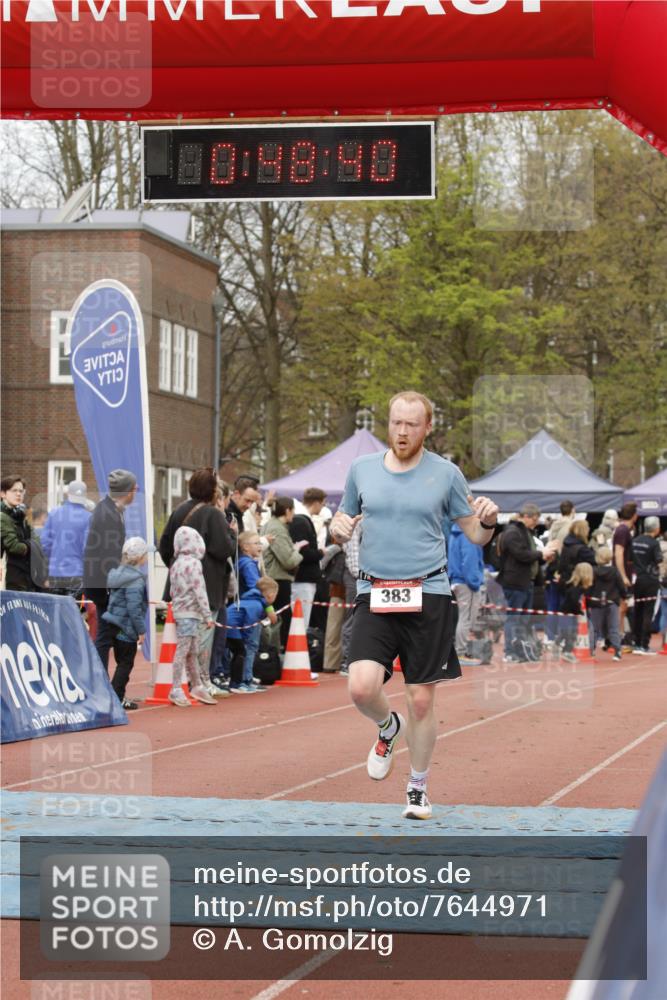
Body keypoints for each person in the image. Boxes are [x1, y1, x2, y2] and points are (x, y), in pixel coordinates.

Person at [330, 391, 500, 821]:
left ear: (427, 427)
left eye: (411, 424)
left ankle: (418, 787)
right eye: (395, 423)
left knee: (421, 700)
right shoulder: (361, 469)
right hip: (375, 591)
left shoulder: (446, 474)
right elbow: (343, 525)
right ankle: (388, 727)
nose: (402, 432)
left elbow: (476, 535)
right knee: (361, 686)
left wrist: (490, 521)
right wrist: (337, 527)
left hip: (429, 592)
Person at [159, 468, 236, 699]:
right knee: (203, 634)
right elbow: (224, 548)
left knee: (186, 636)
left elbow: (165, 545)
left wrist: (177, 566)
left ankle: (187, 682)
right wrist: (232, 533)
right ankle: (201, 680)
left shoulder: (178, 511)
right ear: (212, 490)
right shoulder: (213, 514)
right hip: (207, 582)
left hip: (180, 584)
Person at [83, 469, 137, 670]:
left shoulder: (110, 510)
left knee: (106, 634)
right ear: (126, 491)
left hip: (102, 581)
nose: (136, 490)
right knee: (105, 635)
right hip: (103, 583)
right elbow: (105, 554)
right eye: (133, 487)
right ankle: (104, 685)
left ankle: (106, 684)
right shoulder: (107, 514)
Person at [497, 504, 557, 662]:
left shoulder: (525, 532)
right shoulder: (512, 532)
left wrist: (541, 556)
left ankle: (520, 651)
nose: (536, 523)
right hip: (516, 582)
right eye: (535, 519)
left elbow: (526, 554)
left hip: (526, 582)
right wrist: (540, 554)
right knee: (514, 618)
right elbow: (520, 554)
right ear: (526, 517)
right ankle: (509, 652)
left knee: (523, 619)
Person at [167, 525, 217, 706]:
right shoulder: (195, 564)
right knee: (184, 650)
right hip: (191, 612)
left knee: (192, 650)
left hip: (181, 611)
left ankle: (196, 685)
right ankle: (176, 688)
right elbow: (199, 590)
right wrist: (207, 615)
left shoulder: (176, 564)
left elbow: (172, 590)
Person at [102, 537, 149, 710]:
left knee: (121, 661)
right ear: (140, 557)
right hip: (125, 627)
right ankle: (117, 697)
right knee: (125, 664)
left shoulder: (117, 575)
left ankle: (116, 695)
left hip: (113, 623)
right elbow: (134, 609)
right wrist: (142, 631)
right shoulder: (136, 581)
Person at [261, 496, 304, 651]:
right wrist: (298, 552)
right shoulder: (277, 528)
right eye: (293, 511)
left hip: (273, 577)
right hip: (277, 579)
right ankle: (282, 656)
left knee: (277, 620)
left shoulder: (270, 525)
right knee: (283, 621)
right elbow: (287, 560)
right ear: (287, 511)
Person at [227, 576, 279, 693]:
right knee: (243, 652)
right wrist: (247, 639)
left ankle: (240, 681)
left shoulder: (252, 600)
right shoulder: (256, 605)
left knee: (237, 653)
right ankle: (240, 682)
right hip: (232, 629)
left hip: (231, 628)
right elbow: (250, 624)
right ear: (270, 595)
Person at [41, 480, 92, 599]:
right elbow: (87, 549)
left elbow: (45, 544)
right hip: (77, 573)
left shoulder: (54, 514)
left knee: (55, 613)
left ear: (68, 494)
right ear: (84, 496)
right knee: (72, 613)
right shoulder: (88, 517)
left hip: (55, 572)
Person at [289, 487, 327, 631]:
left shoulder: (301, 519)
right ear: (316, 503)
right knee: (300, 622)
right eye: (323, 504)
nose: (323, 508)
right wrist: (320, 552)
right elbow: (302, 553)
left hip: (304, 579)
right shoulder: (300, 521)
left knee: (302, 621)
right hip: (302, 579)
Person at [448, 522, 485, 666]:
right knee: (467, 618)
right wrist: (475, 582)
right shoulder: (468, 536)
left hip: (458, 580)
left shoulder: (455, 533)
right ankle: (461, 652)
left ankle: (460, 651)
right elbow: (469, 560)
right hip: (467, 582)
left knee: (463, 617)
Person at [1, 475, 42, 592]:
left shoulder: (23, 514)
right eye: (14, 490)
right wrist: (30, 545)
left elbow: (37, 540)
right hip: (10, 577)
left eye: (21, 491)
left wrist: (28, 544)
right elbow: (15, 547)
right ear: (3, 494)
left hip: (24, 575)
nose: (18, 494)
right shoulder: (2, 517)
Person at [631, 516, 662, 655]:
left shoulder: (635, 541)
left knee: (637, 610)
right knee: (648, 612)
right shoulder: (654, 543)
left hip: (636, 579)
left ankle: (636, 642)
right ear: (657, 528)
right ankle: (644, 644)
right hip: (650, 580)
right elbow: (659, 561)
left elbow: (630, 559)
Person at [589, 548, 626, 661]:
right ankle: (617, 651)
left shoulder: (593, 571)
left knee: (594, 628)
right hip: (612, 602)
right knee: (613, 628)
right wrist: (624, 596)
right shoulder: (614, 571)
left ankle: (592, 651)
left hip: (596, 602)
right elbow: (621, 586)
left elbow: (590, 586)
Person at [613, 501, 638, 645]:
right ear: (634, 515)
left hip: (625, 573)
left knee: (623, 607)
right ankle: (617, 637)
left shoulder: (624, 530)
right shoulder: (623, 530)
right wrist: (622, 576)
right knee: (621, 607)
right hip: (622, 574)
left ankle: (620, 636)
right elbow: (618, 553)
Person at [560, 562, 594, 660]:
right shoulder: (576, 588)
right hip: (568, 613)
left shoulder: (579, 588)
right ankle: (567, 651)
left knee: (569, 632)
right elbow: (574, 601)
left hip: (570, 613)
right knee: (571, 633)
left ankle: (562, 647)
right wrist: (578, 610)